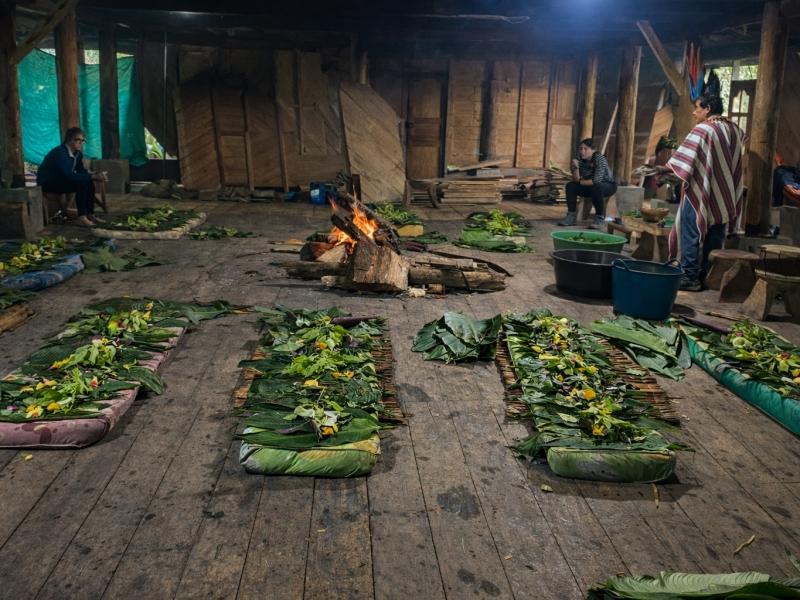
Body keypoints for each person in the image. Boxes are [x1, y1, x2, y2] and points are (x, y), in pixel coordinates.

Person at [662, 93, 745, 291]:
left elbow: (684, 161)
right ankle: (709, 275)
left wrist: (661, 169)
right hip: (724, 192)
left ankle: (690, 276)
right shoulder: (735, 130)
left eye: (697, 108)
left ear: (707, 109)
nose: (694, 112)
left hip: (700, 189)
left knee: (690, 229)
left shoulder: (703, 129)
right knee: (716, 232)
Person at [37, 127, 105, 227]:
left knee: (89, 182)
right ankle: (82, 217)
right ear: (69, 140)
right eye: (78, 140)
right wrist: (92, 176)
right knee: (81, 184)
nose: (81, 143)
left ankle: (90, 214)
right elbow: (68, 175)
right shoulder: (60, 153)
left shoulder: (77, 154)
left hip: (61, 181)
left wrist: (95, 175)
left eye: (83, 141)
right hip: (48, 183)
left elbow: (81, 171)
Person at [558, 138, 616, 228]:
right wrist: (575, 167)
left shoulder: (599, 158)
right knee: (570, 186)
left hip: (608, 185)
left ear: (593, 150)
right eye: (581, 149)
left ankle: (599, 218)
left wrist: (580, 182)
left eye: (585, 149)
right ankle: (571, 216)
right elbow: (576, 179)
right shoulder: (579, 158)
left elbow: (596, 181)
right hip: (590, 186)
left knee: (597, 187)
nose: (582, 151)